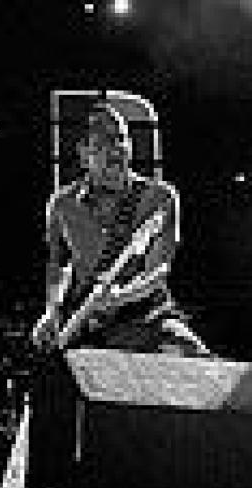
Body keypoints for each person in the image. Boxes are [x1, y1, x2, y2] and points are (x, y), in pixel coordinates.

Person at [35, 100, 211, 356]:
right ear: (83, 153)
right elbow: (58, 265)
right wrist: (52, 312)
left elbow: (158, 271)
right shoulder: (62, 205)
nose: (117, 148)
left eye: (122, 138)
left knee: (198, 362)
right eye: (105, 141)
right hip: (87, 325)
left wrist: (119, 297)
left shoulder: (160, 198)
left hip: (147, 317)